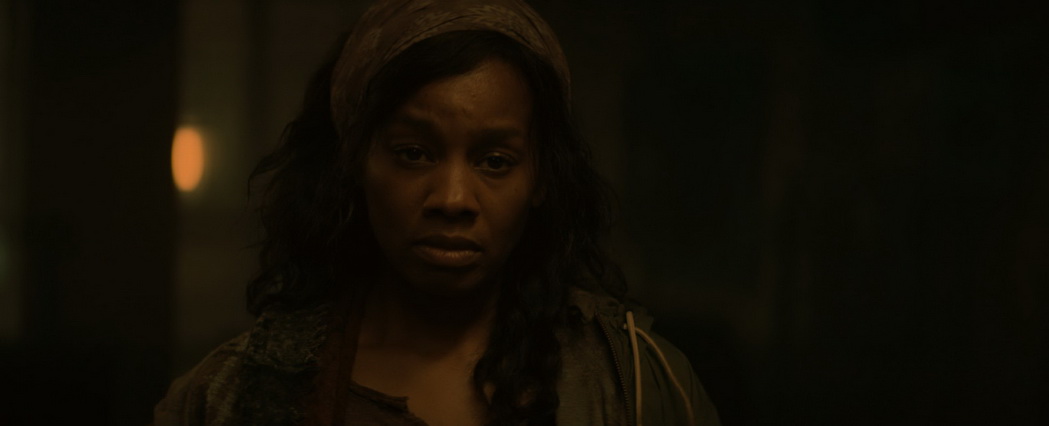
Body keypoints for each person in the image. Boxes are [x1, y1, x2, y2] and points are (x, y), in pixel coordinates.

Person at [154, 0, 721, 425]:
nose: (452, 199)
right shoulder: (230, 396)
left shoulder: (633, 385)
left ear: (541, 180)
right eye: (414, 154)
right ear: (356, 162)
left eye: (494, 161)